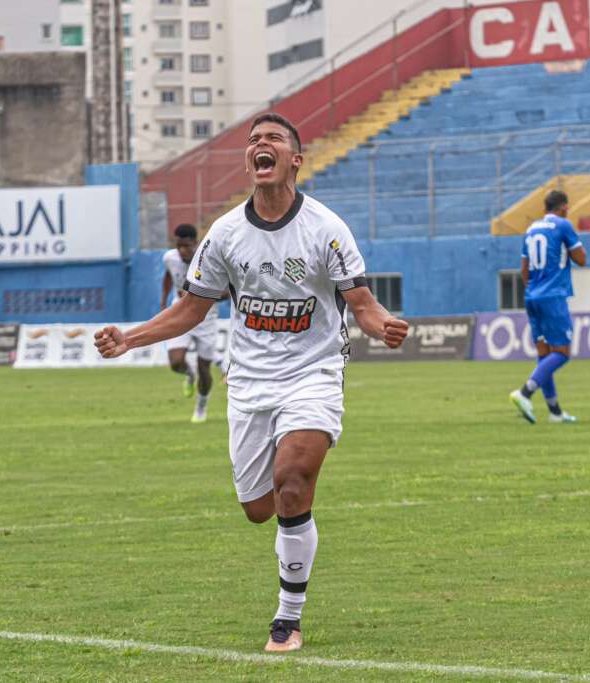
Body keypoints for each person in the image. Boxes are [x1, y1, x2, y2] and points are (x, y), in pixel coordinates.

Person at [96, 113, 408, 652]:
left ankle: (287, 618)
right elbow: (191, 309)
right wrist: (131, 338)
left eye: (273, 140)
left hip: (313, 374)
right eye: (253, 141)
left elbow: (363, 303)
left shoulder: (327, 229)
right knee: (259, 507)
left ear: (295, 160)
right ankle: (287, 532)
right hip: (249, 382)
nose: (260, 146)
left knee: (292, 481)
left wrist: (384, 327)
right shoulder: (226, 234)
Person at [510, 190, 587, 424]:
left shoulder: (531, 229)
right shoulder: (563, 225)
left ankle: (554, 412)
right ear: (563, 207)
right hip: (553, 296)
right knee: (562, 353)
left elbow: (524, 269)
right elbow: (582, 259)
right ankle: (525, 393)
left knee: (545, 355)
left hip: (531, 295)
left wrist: (535, 288)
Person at [160, 223, 220, 422]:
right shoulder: (170, 258)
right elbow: (169, 275)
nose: (182, 250)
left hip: (206, 316)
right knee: (176, 362)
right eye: (179, 246)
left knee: (205, 369)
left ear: (196, 243)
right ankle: (189, 372)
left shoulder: (208, 259)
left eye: (186, 246)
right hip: (181, 311)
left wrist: (200, 295)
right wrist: (164, 300)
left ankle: (201, 407)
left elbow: (228, 290)